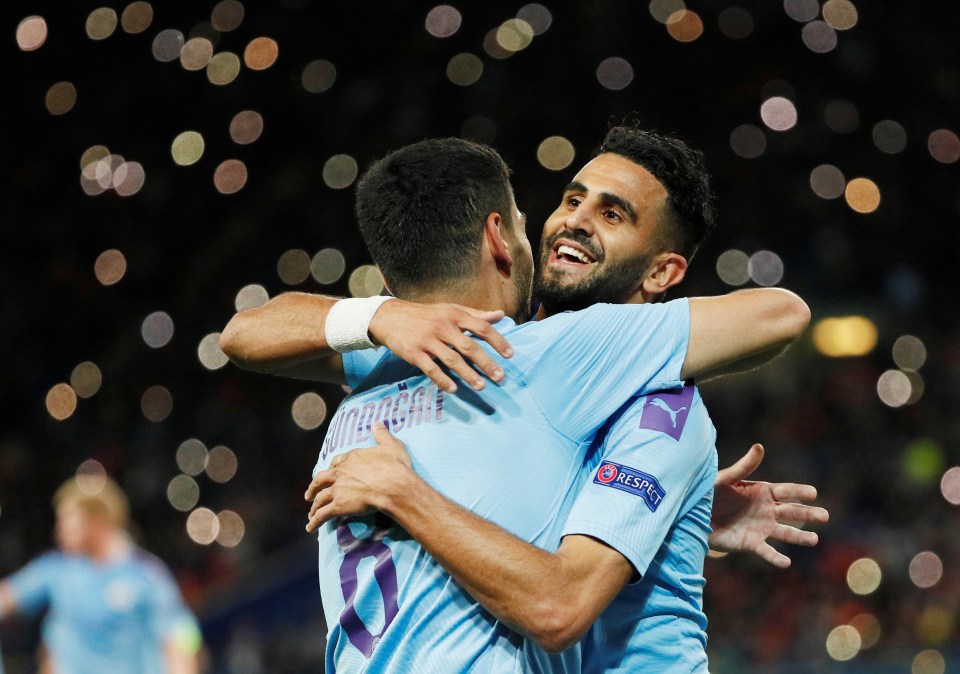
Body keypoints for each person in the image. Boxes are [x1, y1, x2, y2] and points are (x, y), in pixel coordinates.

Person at [220, 136, 811, 672]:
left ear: (663, 269)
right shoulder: (461, 350)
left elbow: (561, 606)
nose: (575, 221)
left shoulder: (651, 396)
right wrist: (380, 313)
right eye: (572, 200)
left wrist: (404, 492)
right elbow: (245, 334)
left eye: (611, 214)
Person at [0, 475, 202, 674]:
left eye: (67, 518)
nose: (59, 529)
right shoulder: (58, 569)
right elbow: (7, 598)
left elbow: (183, 633)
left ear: (97, 521)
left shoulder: (145, 575)